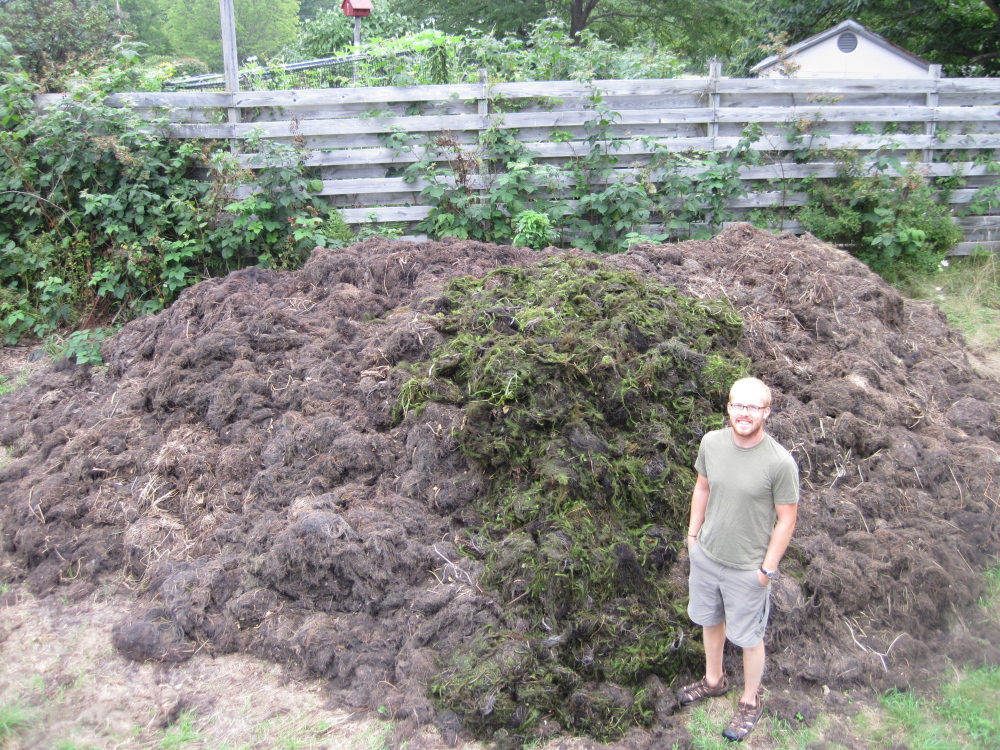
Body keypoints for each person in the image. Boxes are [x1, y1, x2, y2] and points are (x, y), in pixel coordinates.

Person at [678, 377, 799, 742]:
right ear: (728, 408)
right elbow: (702, 488)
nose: (744, 413)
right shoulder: (711, 443)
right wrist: (692, 536)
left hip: (748, 569)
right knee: (710, 621)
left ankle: (749, 701)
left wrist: (766, 570)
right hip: (707, 555)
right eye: (738, 405)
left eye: (753, 407)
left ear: (766, 412)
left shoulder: (779, 463)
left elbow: (787, 519)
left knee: (748, 637)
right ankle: (713, 681)